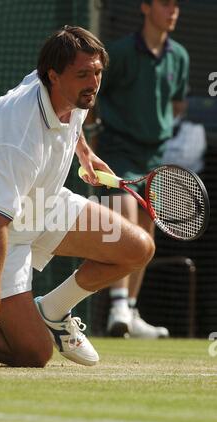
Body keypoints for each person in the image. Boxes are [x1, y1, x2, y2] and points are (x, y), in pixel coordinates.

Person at [0, 26, 155, 367]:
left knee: (137, 249)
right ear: (53, 76)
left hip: (41, 205)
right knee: (34, 353)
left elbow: (75, 119)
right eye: (84, 74)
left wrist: (83, 152)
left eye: (98, 72)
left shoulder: (74, 91)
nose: (93, 82)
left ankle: (54, 311)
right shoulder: (17, 133)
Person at [97, 0, 190, 338]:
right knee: (121, 219)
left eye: (177, 5)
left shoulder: (179, 56)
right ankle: (118, 305)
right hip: (117, 150)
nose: (173, 11)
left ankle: (130, 313)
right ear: (145, 7)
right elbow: (93, 98)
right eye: (166, 4)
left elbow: (177, 103)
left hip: (155, 155)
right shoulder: (118, 53)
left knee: (147, 228)